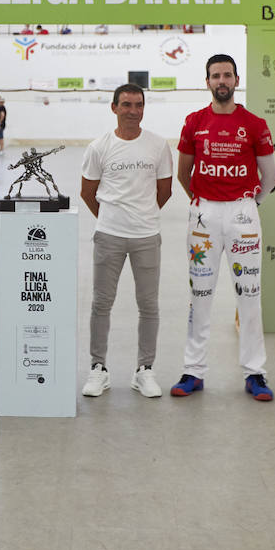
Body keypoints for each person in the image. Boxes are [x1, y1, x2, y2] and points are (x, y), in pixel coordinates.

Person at [173, 55, 275, 401]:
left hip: (243, 215)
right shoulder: (194, 122)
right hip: (204, 216)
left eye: (227, 75)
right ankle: (194, 371)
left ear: (236, 80)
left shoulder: (254, 123)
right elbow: (183, 173)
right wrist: (205, 203)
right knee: (199, 296)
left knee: (250, 295)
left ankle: (255, 373)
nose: (222, 80)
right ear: (207, 81)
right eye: (215, 75)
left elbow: (271, 177)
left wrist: (248, 206)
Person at [79, 84, 173, 399]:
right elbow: (87, 193)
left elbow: (165, 191)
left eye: (138, 104)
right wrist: (111, 219)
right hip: (109, 236)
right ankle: (98, 368)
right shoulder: (99, 147)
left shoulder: (158, 146)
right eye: (126, 104)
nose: (133, 110)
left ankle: (144, 370)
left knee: (148, 305)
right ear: (114, 107)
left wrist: (141, 216)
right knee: (101, 303)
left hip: (147, 236)